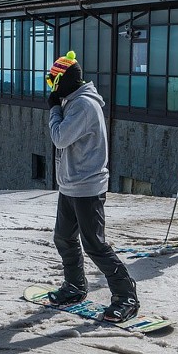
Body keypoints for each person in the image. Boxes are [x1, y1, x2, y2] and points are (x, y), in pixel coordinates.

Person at [46, 50, 139, 322]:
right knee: (64, 238)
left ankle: (126, 297)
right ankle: (74, 287)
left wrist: (53, 109)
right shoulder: (73, 101)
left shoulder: (84, 105)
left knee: (95, 245)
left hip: (87, 187)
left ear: (65, 81)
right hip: (70, 186)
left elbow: (60, 138)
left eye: (53, 82)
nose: (51, 88)